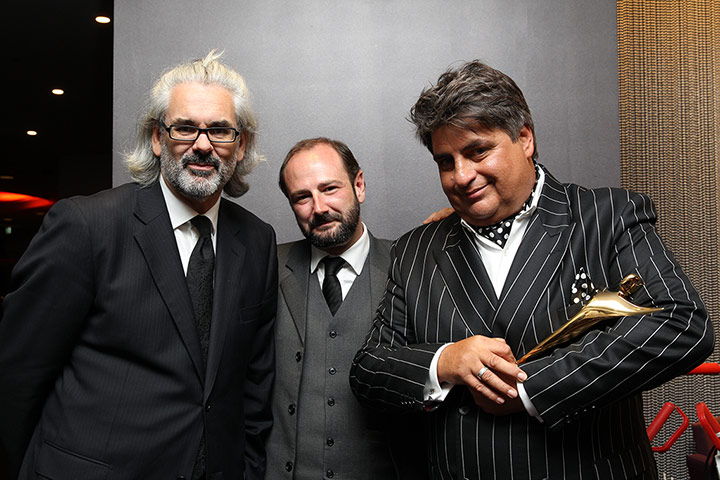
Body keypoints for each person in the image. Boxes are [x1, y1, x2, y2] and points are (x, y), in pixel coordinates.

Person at [350, 60, 713, 479]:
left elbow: (684, 325)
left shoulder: (607, 216)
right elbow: (369, 370)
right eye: (445, 162)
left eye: (477, 151)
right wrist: (445, 360)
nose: (461, 176)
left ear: (524, 138)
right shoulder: (415, 249)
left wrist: (529, 389)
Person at [0, 51, 277, 480]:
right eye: (185, 127)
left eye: (220, 130)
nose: (203, 145)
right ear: (156, 138)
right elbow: (17, 374)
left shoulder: (258, 241)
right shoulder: (86, 225)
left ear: (239, 145)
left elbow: (254, 388)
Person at [266, 138, 426, 480]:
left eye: (329, 188)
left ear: (359, 185)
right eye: (302, 197)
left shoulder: (410, 266)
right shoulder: (266, 266)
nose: (319, 207)